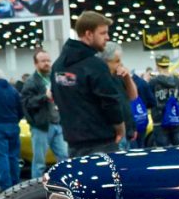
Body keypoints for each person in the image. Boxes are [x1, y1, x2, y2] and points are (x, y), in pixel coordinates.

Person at [51, 10, 126, 157]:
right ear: (89, 34)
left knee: (80, 180)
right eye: (103, 33)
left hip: (73, 144)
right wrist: (120, 127)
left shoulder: (58, 66)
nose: (107, 37)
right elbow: (110, 101)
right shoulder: (95, 65)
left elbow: (56, 97)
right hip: (101, 142)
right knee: (106, 180)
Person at [21, 49, 69, 178]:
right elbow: (27, 103)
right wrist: (44, 96)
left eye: (48, 60)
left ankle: (65, 184)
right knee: (39, 163)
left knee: (64, 157)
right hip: (41, 127)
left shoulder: (54, 77)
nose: (47, 63)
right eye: (43, 61)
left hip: (57, 124)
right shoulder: (31, 82)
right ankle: (34, 193)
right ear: (36, 64)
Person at [100, 42, 139, 150]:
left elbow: (134, 97)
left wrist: (127, 77)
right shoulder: (100, 80)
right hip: (113, 135)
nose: (120, 64)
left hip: (126, 132)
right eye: (117, 61)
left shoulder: (119, 75)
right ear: (105, 61)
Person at [149, 55, 179, 146]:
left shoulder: (153, 82)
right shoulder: (177, 80)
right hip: (174, 117)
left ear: (157, 64)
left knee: (162, 150)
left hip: (159, 119)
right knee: (178, 147)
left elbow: (149, 100)